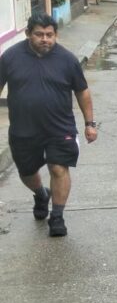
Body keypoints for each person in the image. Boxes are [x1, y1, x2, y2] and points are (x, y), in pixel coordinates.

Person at [0, 14, 98, 237]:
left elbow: (82, 91)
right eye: (39, 34)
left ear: (55, 35)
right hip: (23, 129)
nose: (45, 39)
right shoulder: (10, 57)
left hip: (59, 127)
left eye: (49, 35)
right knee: (26, 171)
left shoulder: (67, 60)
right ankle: (41, 194)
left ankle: (57, 216)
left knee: (58, 168)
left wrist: (89, 124)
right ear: (28, 34)